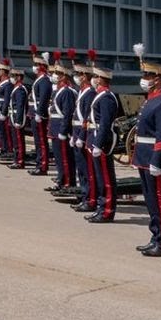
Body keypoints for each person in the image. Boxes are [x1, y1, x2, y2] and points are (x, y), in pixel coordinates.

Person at [133, 61, 161, 256]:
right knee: (150, 200)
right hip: (143, 155)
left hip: (153, 157)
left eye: (148, 76)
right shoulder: (151, 99)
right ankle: (155, 235)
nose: (144, 80)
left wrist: (157, 161)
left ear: (157, 79)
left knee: (159, 199)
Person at [86, 65, 119, 223]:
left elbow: (105, 123)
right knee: (100, 178)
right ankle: (101, 207)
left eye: (95, 76)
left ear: (100, 78)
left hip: (103, 141)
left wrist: (98, 144)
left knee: (106, 178)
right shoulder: (100, 95)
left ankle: (107, 210)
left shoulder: (106, 97)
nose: (93, 79)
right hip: (96, 137)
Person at [70, 64, 96, 212]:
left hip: (83, 134)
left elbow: (86, 117)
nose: (76, 77)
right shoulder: (82, 91)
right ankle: (84, 196)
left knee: (87, 171)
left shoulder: (89, 93)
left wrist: (81, 136)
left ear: (85, 76)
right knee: (81, 170)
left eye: (78, 74)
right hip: (77, 132)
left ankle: (89, 198)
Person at [47, 61, 76, 192]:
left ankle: (67, 182)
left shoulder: (67, 92)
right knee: (59, 157)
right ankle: (61, 179)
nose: (55, 75)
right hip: (55, 127)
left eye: (58, 73)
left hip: (60, 129)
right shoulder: (59, 90)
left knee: (65, 158)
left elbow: (67, 113)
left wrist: (63, 131)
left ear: (64, 75)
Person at [29, 53, 52, 176]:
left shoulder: (44, 80)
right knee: (38, 142)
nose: (35, 67)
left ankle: (42, 166)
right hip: (34, 113)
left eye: (37, 64)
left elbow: (43, 98)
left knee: (42, 142)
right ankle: (39, 163)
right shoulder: (40, 79)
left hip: (39, 115)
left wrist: (39, 112)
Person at [7, 67, 29, 169]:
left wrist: (18, 120)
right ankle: (16, 159)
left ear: (19, 77)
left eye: (13, 76)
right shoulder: (16, 88)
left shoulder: (20, 89)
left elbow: (20, 106)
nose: (11, 78)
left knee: (19, 140)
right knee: (15, 140)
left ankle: (20, 161)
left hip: (17, 117)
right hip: (13, 116)